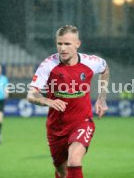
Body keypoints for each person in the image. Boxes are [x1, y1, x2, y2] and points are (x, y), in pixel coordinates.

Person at [27, 25, 109, 178]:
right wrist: (47, 101)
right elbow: (31, 94)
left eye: (67, 44)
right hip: (56, 127)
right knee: (62, 171)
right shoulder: (48, 65)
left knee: (74, 160)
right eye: (59, 43)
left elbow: (105, 70)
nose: (62, 48)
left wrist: (102, 98)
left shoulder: (91, 62)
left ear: (77, 44)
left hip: (82, 122)